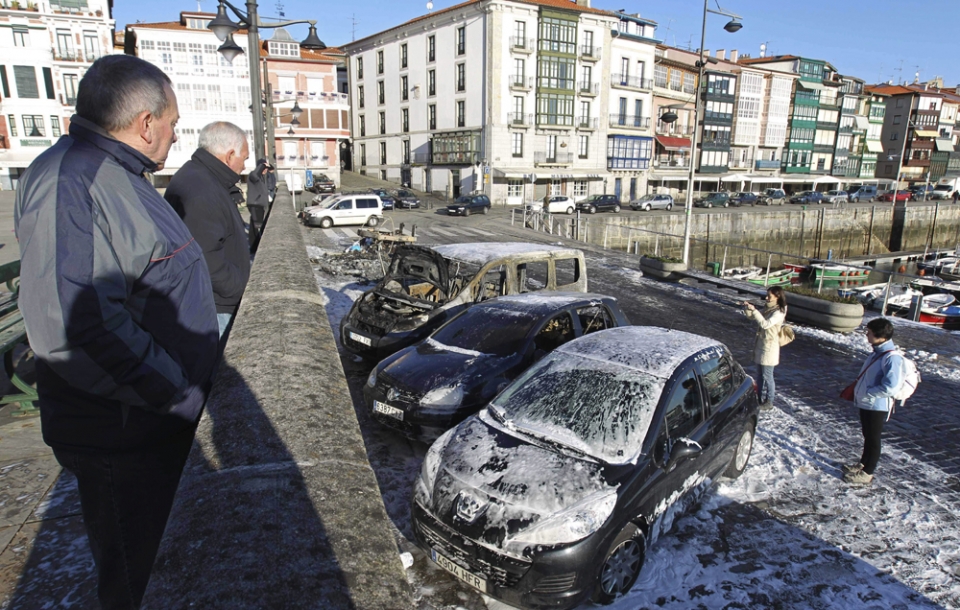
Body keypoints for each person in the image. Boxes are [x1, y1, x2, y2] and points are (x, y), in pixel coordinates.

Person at [14, 55, 219, 609]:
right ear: (146, 122)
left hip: (141, 422)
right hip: (125, 431)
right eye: (173, 124)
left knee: (158, 566)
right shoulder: (73, 182)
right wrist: (177, 394)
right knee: (138, 578)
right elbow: (74, 329)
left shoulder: (114, 174)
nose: (176, 136)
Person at [165, 122, 252, 339]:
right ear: (230, 155)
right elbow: (206, 258)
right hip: (216, 307)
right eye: (244, 158)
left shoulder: (200, 176)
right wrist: (240, 288)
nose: (244, 165)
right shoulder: (200, 189)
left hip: (212, 301)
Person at [843, 318, 903, 486]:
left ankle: (868, 472)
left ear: (880, 336)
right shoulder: (876, 352)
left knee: (874, 438)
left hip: (877, 405)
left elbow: (891, 386)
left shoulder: (891, 358)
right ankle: (863, 464)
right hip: (867, 402)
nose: (866, 335)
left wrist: (869, 392)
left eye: (869, 332)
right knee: (867, 435)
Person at [743, 286, 787, 411]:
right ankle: (758, 398)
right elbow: (753, 318)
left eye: (769, 296)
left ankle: (769, 401)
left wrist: (755, 311)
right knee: (760, 375)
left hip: (769, 349)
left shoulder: (779, 312)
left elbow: (765, 324)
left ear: (777, 297)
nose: (766, 298)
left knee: (768, 376)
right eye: (767, 295)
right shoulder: (769, 308)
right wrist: (748, 309)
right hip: (761, 346)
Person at [246, 157, 273, 249]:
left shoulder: (260, 177)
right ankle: (256, 246)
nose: (266, 170)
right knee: (257, 226)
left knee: (254, 227)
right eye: (264, 168)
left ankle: (253, 246)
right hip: (255, 204)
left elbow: (272, 169)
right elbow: (254, 175)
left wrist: (267, 166)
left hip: (258, 204)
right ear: (259, 167)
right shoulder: (253, 175)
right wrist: (262, 165)